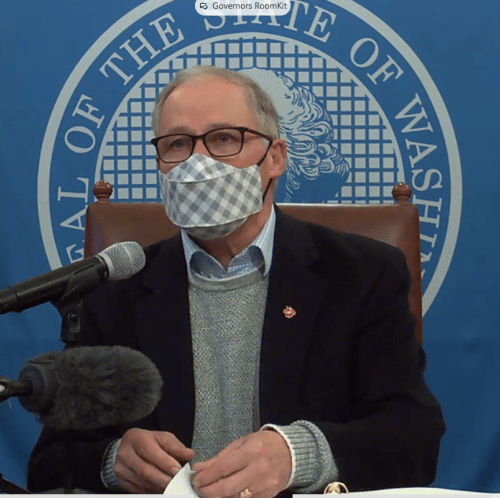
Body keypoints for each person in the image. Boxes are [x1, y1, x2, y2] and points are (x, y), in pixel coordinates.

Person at [28, 65, 445, 497]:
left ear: (276, 158)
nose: (198, 163)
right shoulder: (114, 290)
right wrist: (112, 461)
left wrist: (298, 455)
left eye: (224, 138)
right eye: (177, 144)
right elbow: (51, 461)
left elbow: (414, 439)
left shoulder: (361, 274)